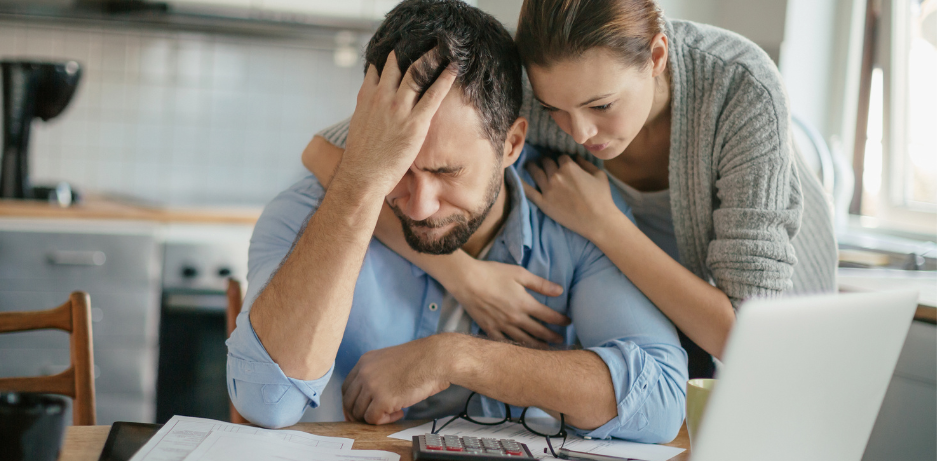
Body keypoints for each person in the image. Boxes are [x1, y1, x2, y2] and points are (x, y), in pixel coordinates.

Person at [226, 0, 689, 443]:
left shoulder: (576, 217)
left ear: (511, 145)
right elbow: (266, 401)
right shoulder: (307, 214)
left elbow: (663, 401)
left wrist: (455, 358)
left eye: (448, 173)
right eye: (399, 169)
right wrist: (362, 183)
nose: (421, 205)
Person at [304, 0, 838, 378]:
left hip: (784, 333)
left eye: (602, 106)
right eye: (556, 109)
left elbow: (750, 339)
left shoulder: (739, 89)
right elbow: (327, 154)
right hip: (670, 320)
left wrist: (603, 225)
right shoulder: (540, 92)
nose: (578, 132)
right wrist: (464, 276)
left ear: (656, 57)